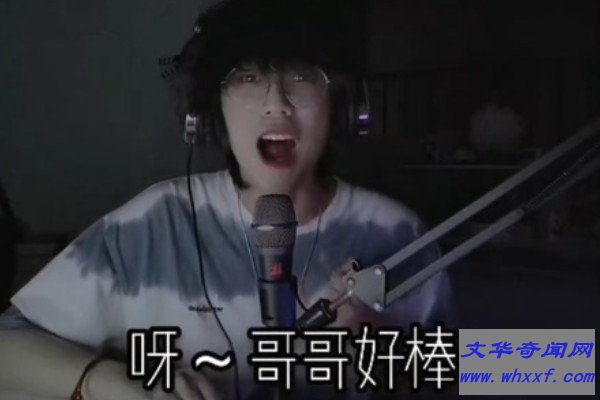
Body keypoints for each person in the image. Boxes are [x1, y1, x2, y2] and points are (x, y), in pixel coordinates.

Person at [0, 1, 453, 399]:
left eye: (301, 77)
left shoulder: (395, 232)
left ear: (342, 105)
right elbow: (8, 346)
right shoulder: (154, 223)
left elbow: (492, 372)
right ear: (207, 111)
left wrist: (392, 357)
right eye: (249, 78)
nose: (276, 103)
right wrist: (110, 384)